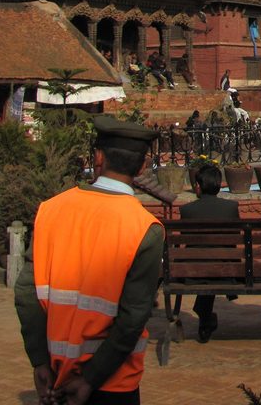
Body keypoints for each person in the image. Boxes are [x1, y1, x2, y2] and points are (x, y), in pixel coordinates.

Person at [15, 115, 164, 405]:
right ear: (143, 167)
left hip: (56, 374)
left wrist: (39, 361)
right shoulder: (145, 228)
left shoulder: (50, 210)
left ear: (98, 158)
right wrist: (90, 378)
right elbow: (133, 318)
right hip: (113, 381)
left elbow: (25, 294)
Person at [178, 163, 239, 343]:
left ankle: (205, 320)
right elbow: (235, 238)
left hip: (193, 272)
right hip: (225, 271)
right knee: (213, 261)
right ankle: (205, 320)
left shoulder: (187, 210)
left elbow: (186, 240)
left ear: (198, 186)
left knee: (204, 262)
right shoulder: (231, 208)